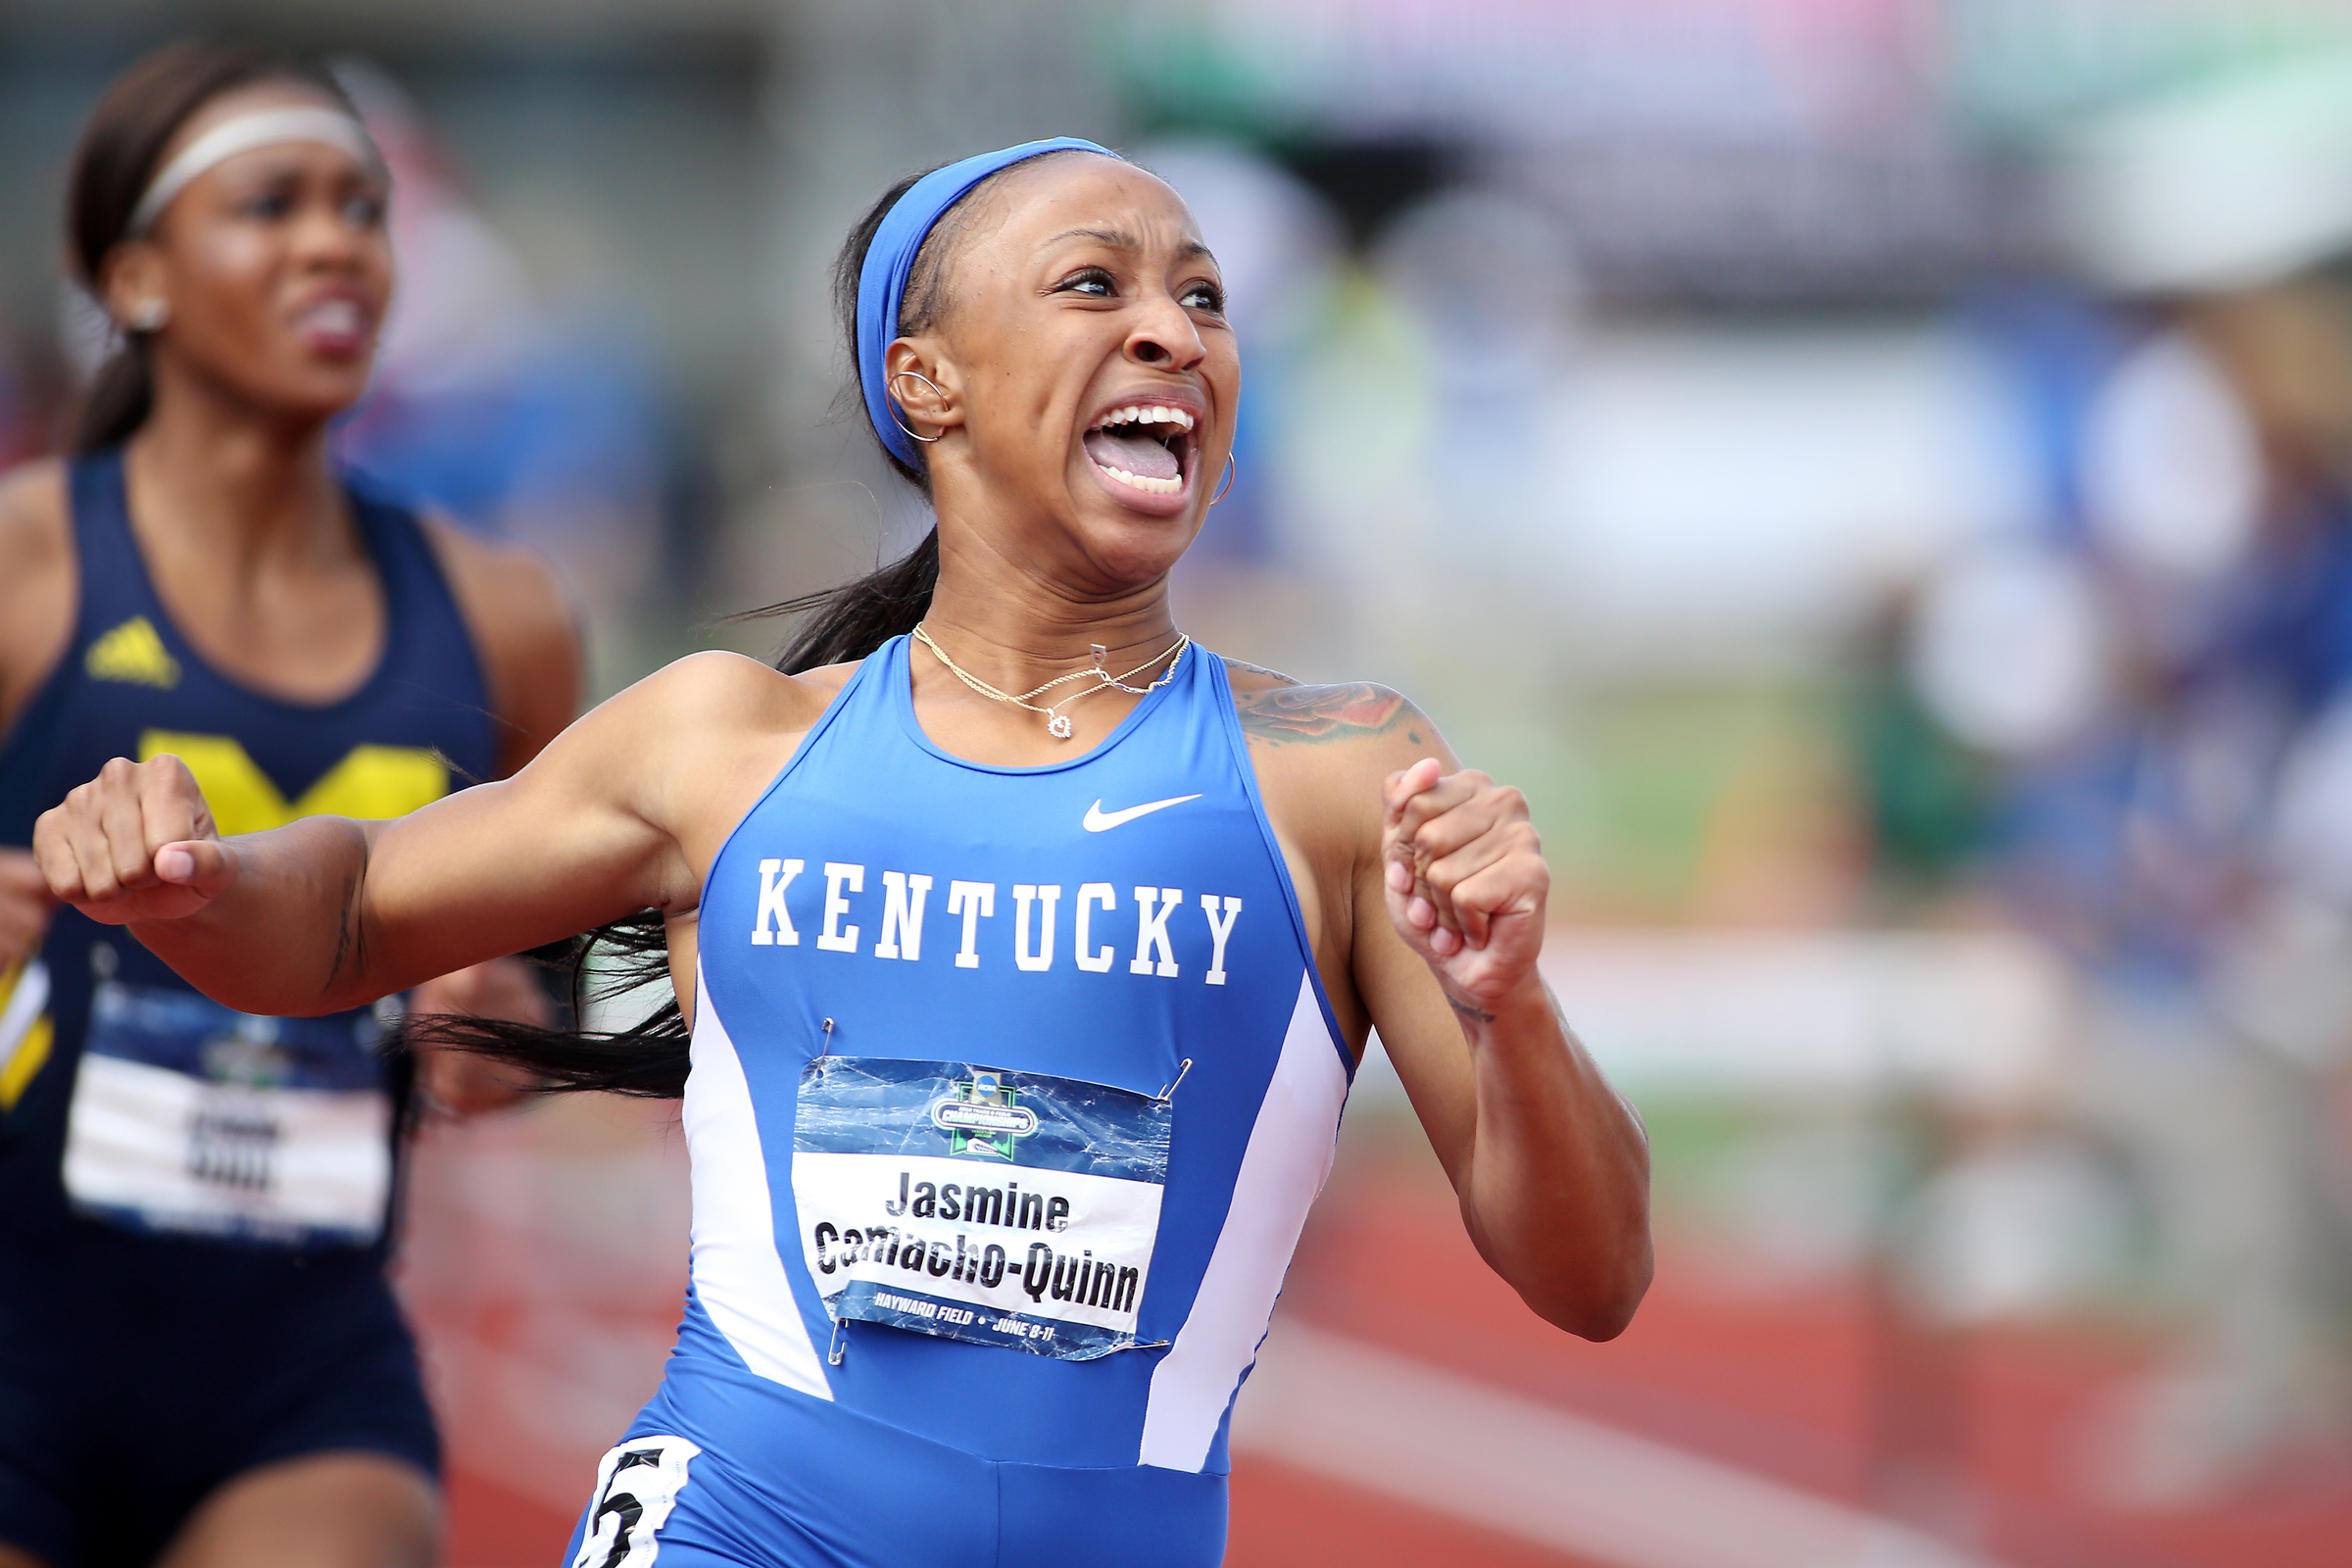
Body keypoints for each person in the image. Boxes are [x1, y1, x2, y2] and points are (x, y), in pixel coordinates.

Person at [31, 137, 1648, 1568]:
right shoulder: (727, 747)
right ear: (923, 380)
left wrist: (1510, 1009)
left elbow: (1592, 1281)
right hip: (744, 1521)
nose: (1174, 331)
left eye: (1207, 300)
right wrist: (196, 885)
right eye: (1095, 284)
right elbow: (354, 911)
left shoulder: (1341, 773)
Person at [0, 41, 579, 1568]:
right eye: (273, 205)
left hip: (299, 1361)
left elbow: (572, 982)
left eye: (364, 209)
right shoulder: (25, 567)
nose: (337, 243)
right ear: (137, 278)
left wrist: (501, 1020)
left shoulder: (503, 616)